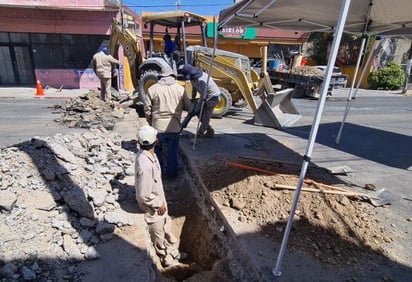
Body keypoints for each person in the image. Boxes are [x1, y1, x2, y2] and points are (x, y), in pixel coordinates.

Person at [134, 125, 186, 267]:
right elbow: (143, 195)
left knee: (166, 226)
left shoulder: (149, 155)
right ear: (156, 141)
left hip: (159, 202)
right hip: (154, 208)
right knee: (159, 234)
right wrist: (158, 204)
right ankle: (165, 258)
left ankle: (173, 250)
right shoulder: (145, 165)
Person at [144, 69, 190, 179]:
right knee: (172, 153)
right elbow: (189, 107)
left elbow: (147, 109)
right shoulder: (180, 89)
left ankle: (159, 175)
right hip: (174, 127)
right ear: (173, 76)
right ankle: (172, 175)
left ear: (161, 76)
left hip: (157, 128)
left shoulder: (152, 89)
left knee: (157, 152)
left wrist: (151, 122)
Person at [179, 64, 220, 140]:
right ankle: (210, 131)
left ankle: (198, 136)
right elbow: (194, 89)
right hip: (204, 96)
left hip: (212, 97)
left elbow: (203, 96)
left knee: (205, 117)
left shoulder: (202, 80)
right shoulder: (192, 78)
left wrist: (197, 107)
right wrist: (193, 100)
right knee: (198, 114)